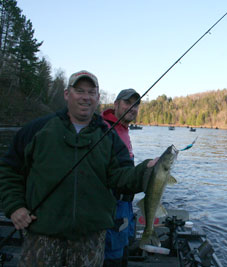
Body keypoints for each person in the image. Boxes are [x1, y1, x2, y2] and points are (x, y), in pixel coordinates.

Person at [0, 70, 157, 266]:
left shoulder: (110, 139)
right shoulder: (38, 130)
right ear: (67, 94)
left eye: (91, 93)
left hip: (90, 240)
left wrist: (147, 170)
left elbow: (122, 178)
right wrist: (15, 206)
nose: (85, 97)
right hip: (41, 234)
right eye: (79, 91)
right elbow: (9, 170)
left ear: (98, 98)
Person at [101, 88, 141, 266]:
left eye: (136, 105)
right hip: (110, 207)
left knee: (124, 250)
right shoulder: (103, 128)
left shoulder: (124, 129)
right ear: (116, 104)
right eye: (127, 103)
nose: (132, 108)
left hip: (126, 205)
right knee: (112, 258)